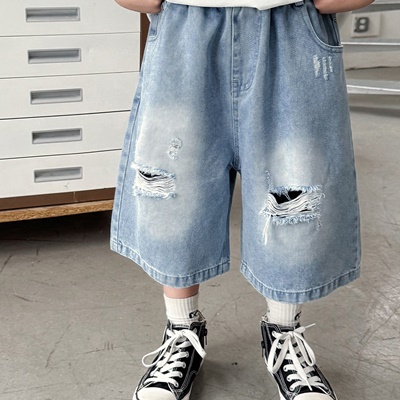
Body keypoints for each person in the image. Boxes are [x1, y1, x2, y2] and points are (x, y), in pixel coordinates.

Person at [110, 0, 374, 399]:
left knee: (294, 193)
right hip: (187, 28)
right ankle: (181, 329)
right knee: (173, 192)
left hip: (289, 28)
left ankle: (282, 332)